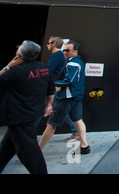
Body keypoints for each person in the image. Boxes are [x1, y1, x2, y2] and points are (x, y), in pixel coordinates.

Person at [0, 41, 55, 174]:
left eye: (19, 47)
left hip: (18, 117)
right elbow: (51, 89)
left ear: (20, 54)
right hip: (32, 113)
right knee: (8, 147)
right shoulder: (43, 68)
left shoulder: (15, 71)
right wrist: (48, 105)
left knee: (30, 152)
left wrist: (7, 66)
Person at [39, 41, 90, 154]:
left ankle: (36, 152)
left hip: (67, 98)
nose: (64, 52)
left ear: (75, 52)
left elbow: (68, 80)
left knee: (51, 125)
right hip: (74, 97)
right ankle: (84, 146)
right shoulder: (76, 62)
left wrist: (54, 84)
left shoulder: (73, 64)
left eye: (67, 50)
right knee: (78, 120)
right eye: (64, 50)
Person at [36, 36, 79, 142]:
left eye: (49, 43)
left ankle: (28, 132)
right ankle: (75, 130)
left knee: (42, 109)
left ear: (54, 44)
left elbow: (48, 71)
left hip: (52, 87)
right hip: (54, 87)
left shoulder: (56, 56)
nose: (47, 45)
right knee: (60, 110)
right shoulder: (60, 56)